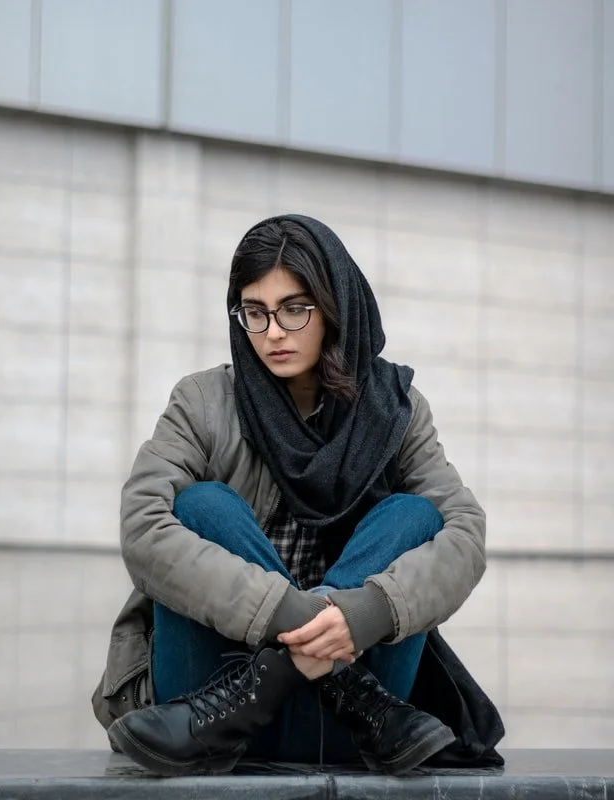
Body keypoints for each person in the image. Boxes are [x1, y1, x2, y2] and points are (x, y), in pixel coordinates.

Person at [95, 214, 491, 777]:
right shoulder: (204, 402)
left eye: (294, 309)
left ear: (335, 307)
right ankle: (308, 677)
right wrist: (296, 614)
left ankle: (326, 684)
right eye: (254, 313)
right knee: (201, 507)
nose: (273, 332)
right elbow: (143, 526)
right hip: (209, 717)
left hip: (353, 725)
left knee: (414, 515)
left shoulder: (397, 412)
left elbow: (465, 535)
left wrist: (365, 612)